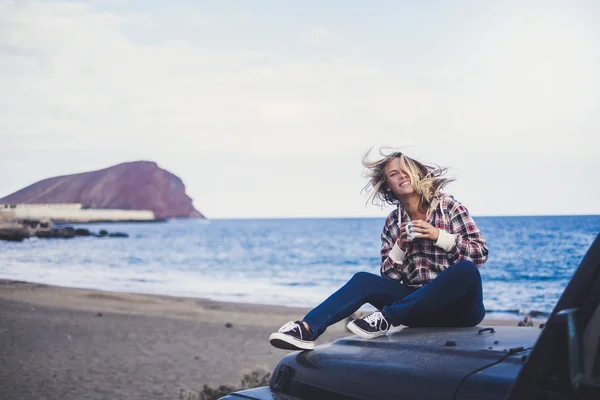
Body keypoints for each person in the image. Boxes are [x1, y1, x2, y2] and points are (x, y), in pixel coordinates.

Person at [269, 149, 489, 351]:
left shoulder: (449, 207)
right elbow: (390, 277)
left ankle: (385, 318)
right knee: (363, 280)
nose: (402, 176)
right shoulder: (393, 222)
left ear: (417, 175)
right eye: (394, 174)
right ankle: (306, 330)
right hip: (417, 311)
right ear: (387, 185)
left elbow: (480, 254)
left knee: (466, 270)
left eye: (407, 171)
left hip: (460, 311)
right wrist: (400, 247)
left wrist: (438, 236)